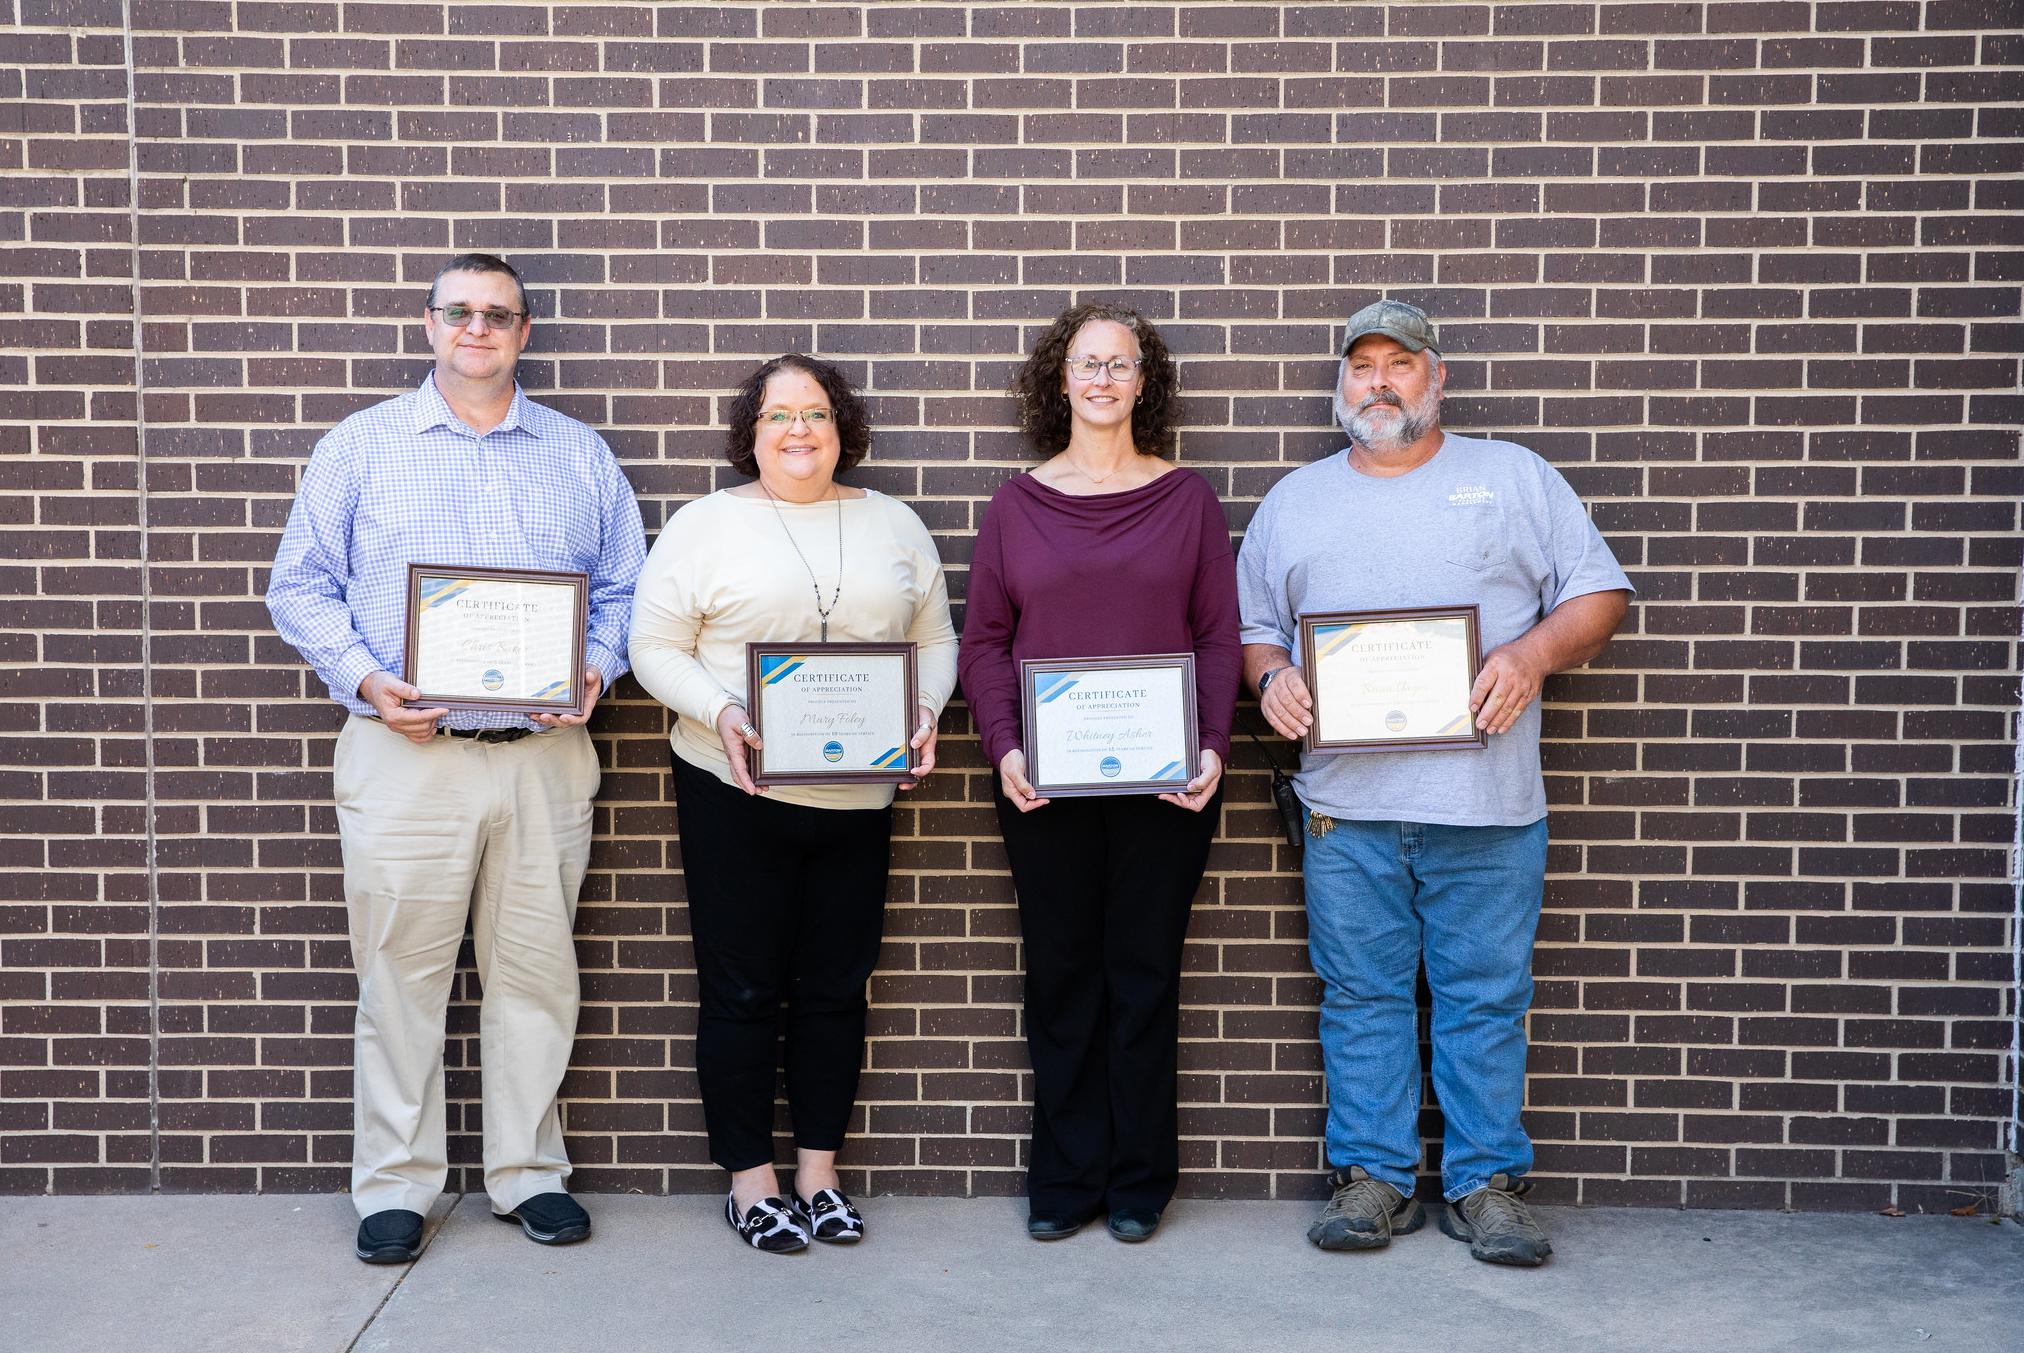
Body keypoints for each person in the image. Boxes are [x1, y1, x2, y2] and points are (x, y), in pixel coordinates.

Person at [266, 252, 647, 1263]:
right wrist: (363, 678)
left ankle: (528, 1176)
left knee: (536, 972)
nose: (477, 329)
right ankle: (397, 1183)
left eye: (498, 315)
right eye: (459, 312)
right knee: (400, 974)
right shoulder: (362, 446)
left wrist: (598, 670)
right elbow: (299, 587)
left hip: (542, 755)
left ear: (524, 334)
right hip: (406, 755)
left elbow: (623, 589)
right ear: (428, 326)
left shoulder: (576, 452)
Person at [1237, 299, 1632, 1267]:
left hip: (1485, 806)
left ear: (1435, 377)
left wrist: (1533, 655)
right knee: (1359, 997)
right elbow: (1254, 632)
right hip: (1346, 809)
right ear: (1340, 385)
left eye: (1398, 365)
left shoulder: (1511, 478)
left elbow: (1599, 596)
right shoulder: (1295, 500)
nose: (1377, 381)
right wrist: (1272, 680)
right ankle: (1371, 1179)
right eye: (1360, 366)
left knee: (1484, 997)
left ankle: (1484, 1184)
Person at [628, 354, 957, 1254]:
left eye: (815, 412)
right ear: (752, 431)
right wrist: (723, 709)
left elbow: (935, 639)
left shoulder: (894, 523)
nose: (799, 430)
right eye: (779, 416)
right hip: (732, 787)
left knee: (835, 989)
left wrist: (923, 712)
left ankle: (819, 1174)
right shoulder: (704, 525)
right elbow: (653, 644)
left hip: (857, 796)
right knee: (740, 988)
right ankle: (751, 1181)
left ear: (841, 424)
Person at [959, 302, 1240, 1244]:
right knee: (1064, 976)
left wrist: (1212, 747)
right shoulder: (1015, 504)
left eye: (1122, 363)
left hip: (1168, 785)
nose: (1105, 379)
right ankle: (1067, 1179)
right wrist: (1005, 748)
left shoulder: (1189, 499)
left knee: (1145, 974)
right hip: (1048, 785)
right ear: (1062, 379)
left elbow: (1214, 634)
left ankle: (1137, 1183)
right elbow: (986, 643)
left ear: (1143, 380)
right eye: (1089, 362)